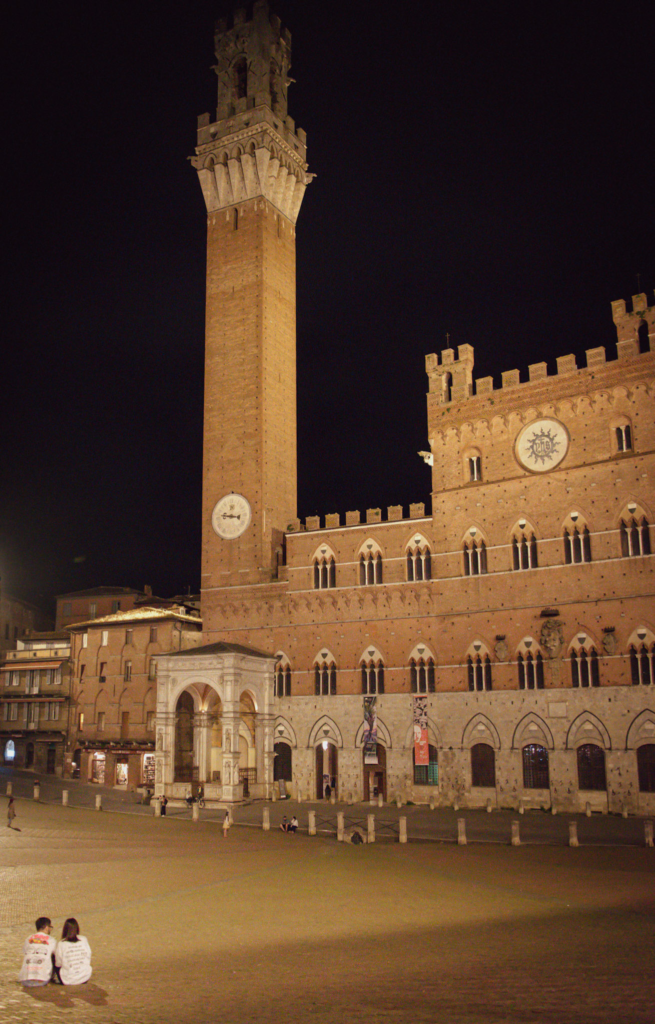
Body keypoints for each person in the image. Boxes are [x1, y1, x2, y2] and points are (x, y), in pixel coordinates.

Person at [18, 917, 56, 986]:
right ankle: (49, 976)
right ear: (46, 927)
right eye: (50, 927)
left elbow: (25, 951)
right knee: (54, 955)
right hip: (42, 980)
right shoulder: (51, 940)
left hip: (25, 980)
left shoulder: (28, 938)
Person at [54, 918, 92, 986]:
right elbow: (88, 955)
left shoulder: (61, 943)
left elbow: (58, 964)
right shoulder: (83, 939)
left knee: (54, 958)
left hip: (68, 980)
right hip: (85, 977)